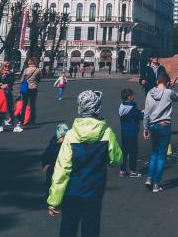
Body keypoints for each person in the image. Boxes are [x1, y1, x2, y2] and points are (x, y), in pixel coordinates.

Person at [47, 90, 122, 237]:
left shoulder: (70, 135)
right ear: (97, 108)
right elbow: (116, 160)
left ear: (80, 108)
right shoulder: (107, 133)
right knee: (91, 229)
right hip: (94, 191)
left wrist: (54, 200)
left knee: (68, 228)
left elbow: (62, 170)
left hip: (72, 191)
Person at [143, 72, 178, 192]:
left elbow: (146, 112)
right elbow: (177, 98)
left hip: (152, 126)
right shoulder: (169, 92)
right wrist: (171, 88)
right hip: (164, 125)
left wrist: (145, 128)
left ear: (157, 82)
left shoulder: (149, 93)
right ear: (167, 83)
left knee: (154, 153)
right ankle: (156, 184)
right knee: (161, 156)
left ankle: (149, 177)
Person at [117, 88, 143, 177]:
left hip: (124, 132)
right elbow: (139, 116)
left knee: (124, 151)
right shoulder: (132, 108)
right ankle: (132, 170)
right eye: (132, 95)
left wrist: (139, 111)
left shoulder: (122, 107)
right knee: (133, 152)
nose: (133, 97)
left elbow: (133, 114)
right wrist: (144, 112)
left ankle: (122, 169)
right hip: (132, 132)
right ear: (129, 97)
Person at [41, 124, 69, 196]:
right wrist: (45, 164)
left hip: (62, 167)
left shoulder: (67, 143)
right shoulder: (53, 144)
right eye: (60, 135)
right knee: (51, 184)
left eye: (63, 135)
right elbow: (47, 154)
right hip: (53, 167)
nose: (61, 137)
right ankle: (50, 199)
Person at [0, 63, 17, 133]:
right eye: (5, 67)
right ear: (2, 67)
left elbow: (12, 82)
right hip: (1, 94)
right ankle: (0, 126)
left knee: (11, 109)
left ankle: (14, 125)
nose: (7, 68)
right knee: (1, 110)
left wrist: (6, 85)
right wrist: (3, 85)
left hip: (8, 93)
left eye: (8, 67)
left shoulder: (11, 74)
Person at [20, 57, 42, 126]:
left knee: (24, 104)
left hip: (26, 88)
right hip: (33, 88)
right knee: (32, 105)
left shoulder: (26, 70)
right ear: (35, 62)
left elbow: (22, 80)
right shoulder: (37, 70)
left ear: (29, 62)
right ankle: (32, 120)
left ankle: (22, 120)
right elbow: (39, 79)